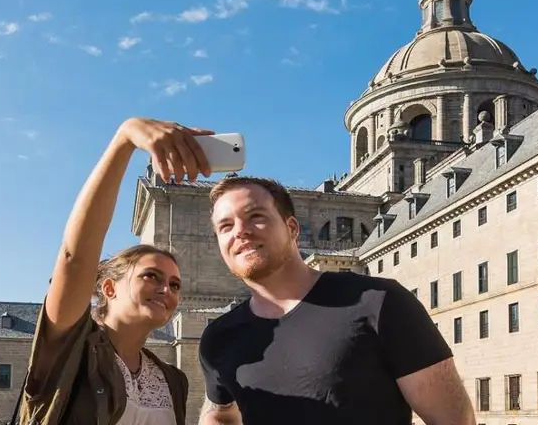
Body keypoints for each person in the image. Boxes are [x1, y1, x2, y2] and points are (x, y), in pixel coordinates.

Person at [198, 176, 476, 425]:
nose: (240, 231)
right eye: (225, 226)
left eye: (255, 216)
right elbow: (219, 413)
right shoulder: (218, 337)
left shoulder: (380, 302)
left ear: (292, 228)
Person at [18, 117, 213, 425]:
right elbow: (75, 257)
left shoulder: (173, 381)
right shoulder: (70, 348)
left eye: (175, 285)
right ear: (109, 288)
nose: (167, 290)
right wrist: (125, 138)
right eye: (151, 276)